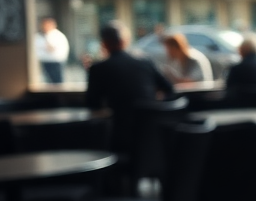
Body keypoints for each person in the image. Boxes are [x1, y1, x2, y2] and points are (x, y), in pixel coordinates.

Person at [86, 21, 174, 151]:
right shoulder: (145, 62)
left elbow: (92, 103)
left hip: (119, 137)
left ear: (103, 44)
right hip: (153, 136)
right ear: (126, 41)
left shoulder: (98, 68)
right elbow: (169, 89)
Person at [35, 17, 69, 84]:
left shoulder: (58, 36)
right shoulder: (39, 36)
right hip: (44, 62)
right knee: (47, 81)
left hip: (56, 62)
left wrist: (50, 48)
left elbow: (56, 49)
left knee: (57, 82)